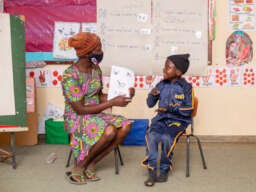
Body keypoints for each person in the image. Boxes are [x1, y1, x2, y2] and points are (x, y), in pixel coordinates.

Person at [62, 32, 135, 185]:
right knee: (109, 131)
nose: (100, 52)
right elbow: (80, 109)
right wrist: (113, 102)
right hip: (76, 117)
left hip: (95, 113)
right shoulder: (70, 75)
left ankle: (91, 162)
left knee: (126, 125)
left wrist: (122, 96)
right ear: (85, 52)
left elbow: (99, 96)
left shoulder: (96, 69)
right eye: (97, 49)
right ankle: (80, 166)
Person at [142, 54, 194, 187]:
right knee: (151, 136)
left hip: (178, 121)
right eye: (164, 66)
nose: (164, 70)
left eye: (167, 67)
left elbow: (189, 109)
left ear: (178, 72)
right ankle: (152, 171)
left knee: (166, 138)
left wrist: (170, 109)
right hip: (160, 119)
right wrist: (152, 95)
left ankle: (164, 169)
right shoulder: (161, 84)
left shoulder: (186, 87)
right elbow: (149, 104)